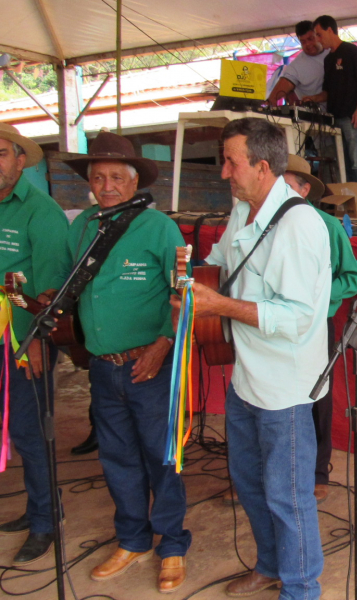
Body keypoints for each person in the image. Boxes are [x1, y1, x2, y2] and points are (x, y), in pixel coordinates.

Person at [182, 118, 330, 600]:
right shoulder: (241, 209)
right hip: (246, 377)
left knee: (288, 497)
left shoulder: (299, 223)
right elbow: (222, 262)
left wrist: (218, 305)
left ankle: (301, 588)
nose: (224, 172)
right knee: (249, 483)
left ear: (263, 167)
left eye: (232, 162)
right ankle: (270, 565)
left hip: (285, 387)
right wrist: (191, 277)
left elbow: (297, 319)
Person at [62, 132, 191, 593]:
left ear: (135, 180)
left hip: (149, 366)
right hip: (103, 366)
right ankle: (133, 538)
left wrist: (163, 343)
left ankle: (172, 544)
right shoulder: (82, 228)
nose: (107, 185)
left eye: (117, 176)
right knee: (117, 458)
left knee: (162, 458)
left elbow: (184, 294)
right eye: (98, 177)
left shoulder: (159, 228)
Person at [0, 123, 70, 566]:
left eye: (1, 154)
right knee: (13, 427)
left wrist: (37, 343)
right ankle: (36, 506)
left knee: (30, 429)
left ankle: (46, 519)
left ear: (20, 161)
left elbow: (47, 291)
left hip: (26, 338)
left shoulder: (40, 211)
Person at [283, 153, 357, 504]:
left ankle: (318, 469)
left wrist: (314, 296)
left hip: (314, 325)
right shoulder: (262, 227)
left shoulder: (327, 227)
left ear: (304, 190)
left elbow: (353, 278)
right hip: (270, 325)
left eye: (286, 188)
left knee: (317, 396)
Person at [303, 15, 357, 188]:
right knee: (342, 163)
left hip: (351, 116)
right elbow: (328, 92)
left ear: (330, 30)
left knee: (356, 162)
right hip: (334, 118)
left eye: (319, 34)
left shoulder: (351, 51)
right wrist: (313, 99)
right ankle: (348, 201)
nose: (317, 39)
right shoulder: (328, 60)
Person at [267, 21, 329, 105]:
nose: (308, 44)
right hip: (315, 116)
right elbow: (276, 95)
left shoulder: (333, 52)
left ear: (318, 36)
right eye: (303, 42)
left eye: (310, 39)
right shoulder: (296, 66)